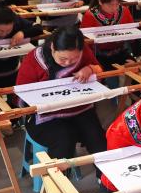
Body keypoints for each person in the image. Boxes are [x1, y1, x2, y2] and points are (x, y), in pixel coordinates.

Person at [15, 26, 105, 160]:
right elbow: (20, 97)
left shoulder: (84, 51)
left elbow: (99, 71)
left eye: (74, 59)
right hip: (45, 117)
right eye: (63, 59)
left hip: (80, 109)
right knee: (64, 140)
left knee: (98, 139)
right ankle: (58, 174)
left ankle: (104, 173)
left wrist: (90, 69)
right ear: (52, 47)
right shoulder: (34, 59)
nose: (68, 63)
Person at [80, 0, 135, 71]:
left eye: (117, 4)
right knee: (108, 75)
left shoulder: (124, 10)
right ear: (100, 2)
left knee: (135, 68)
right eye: (110, 5)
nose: (114, 8)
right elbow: (86, 43)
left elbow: (133, 34)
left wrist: (130, 55)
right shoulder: (90, 15)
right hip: (99, 56)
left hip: (120, 52)